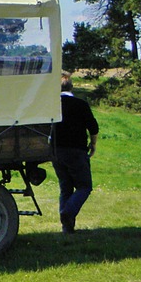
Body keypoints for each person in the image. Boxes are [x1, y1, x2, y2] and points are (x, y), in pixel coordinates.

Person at [53, 73, 99, 233]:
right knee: (84, 186)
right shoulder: (80, 104)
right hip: (76, 150)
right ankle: (68, 213)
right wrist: (93, 144)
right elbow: (93, 127)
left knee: (65, 188)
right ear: (71, 87)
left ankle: (67, 227)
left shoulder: (51, 105)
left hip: (56, 151)